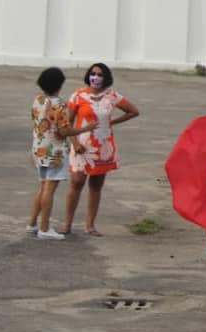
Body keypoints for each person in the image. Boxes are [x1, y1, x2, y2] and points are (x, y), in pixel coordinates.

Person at [62, 63, 140, 237]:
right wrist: (74, 143)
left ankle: (90, 225)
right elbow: (67, 123)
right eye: (93, 74)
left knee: (96, 186)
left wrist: (112, 122)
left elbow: (133, 111)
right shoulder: (78, 96)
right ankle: (67, 224)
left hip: (103, 146)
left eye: (100, 75)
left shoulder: (112, 96)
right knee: (76, 182)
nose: (95, 78)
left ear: (106, 78)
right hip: (82, 144)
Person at [28, 67, 91, 239]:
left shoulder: (38, 100)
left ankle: (33, 223)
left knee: (42, 187)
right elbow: (63, 131)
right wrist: (85, 129)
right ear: (59, 84)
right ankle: (44, 227)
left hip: (39, 147)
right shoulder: (59, 105)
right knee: (50, 188)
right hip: (54, 151)